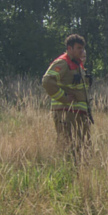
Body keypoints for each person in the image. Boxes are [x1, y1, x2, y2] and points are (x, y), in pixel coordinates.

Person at [42, 34, 91, 163]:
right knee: (66, 143)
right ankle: (66, 170)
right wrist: (64, 98)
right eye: (78, 48)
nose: (82, 51)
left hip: (78, 113)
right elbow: (47, 81)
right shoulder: (62, 62)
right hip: (65, 111)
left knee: (81, 143)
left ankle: (79, 169)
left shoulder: (77, 64)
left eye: (83, 48)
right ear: (69, 48)